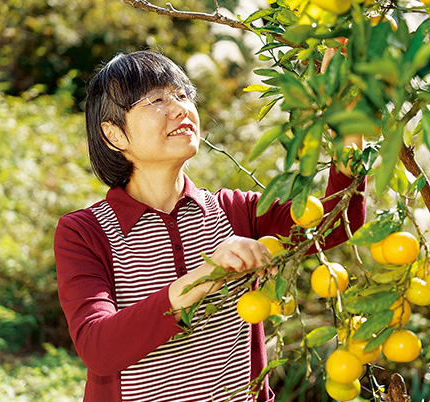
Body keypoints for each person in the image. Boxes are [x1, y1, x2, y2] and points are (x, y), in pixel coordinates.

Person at [53, 50, 365, 402]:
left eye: (183, 95)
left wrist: (348, 119)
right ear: (114, 135)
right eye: (156, 99)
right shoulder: (84, 232)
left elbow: (337, 222)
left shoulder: (234, 211)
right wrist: (207, 275)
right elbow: (99, 348)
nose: (180, 107)